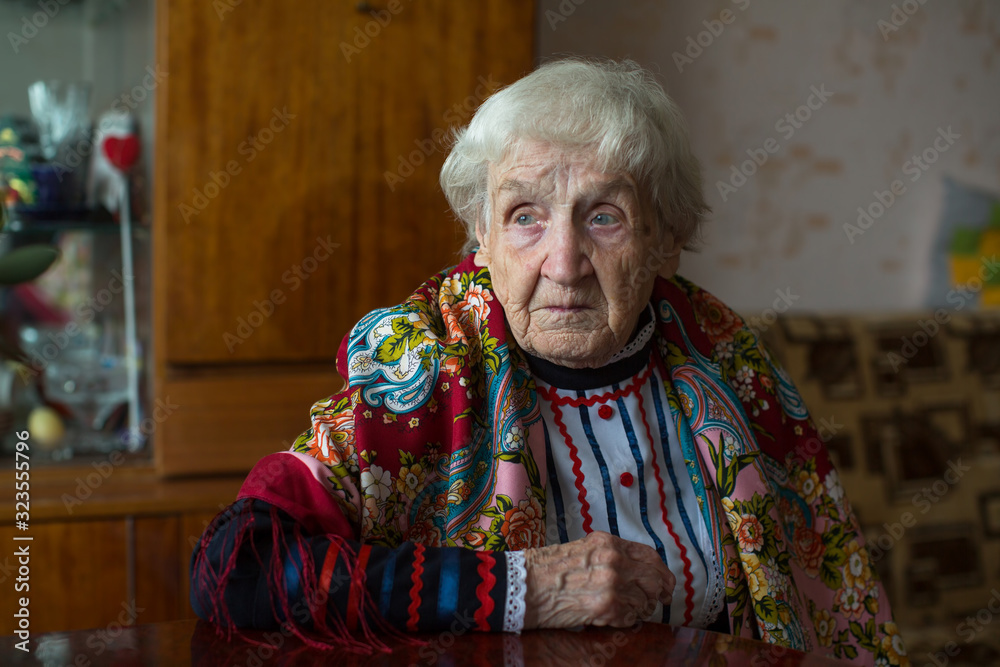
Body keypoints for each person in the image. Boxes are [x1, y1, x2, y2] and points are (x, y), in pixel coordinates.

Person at [191, 58, 908, 665]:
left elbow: (833, 608)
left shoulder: (729, 361)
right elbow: (236, 568)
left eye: (604, 216)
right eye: (525, 214)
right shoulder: (419, 371)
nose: (563, 263)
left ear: (665, 238)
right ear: (482, 236)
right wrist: (521, 587)